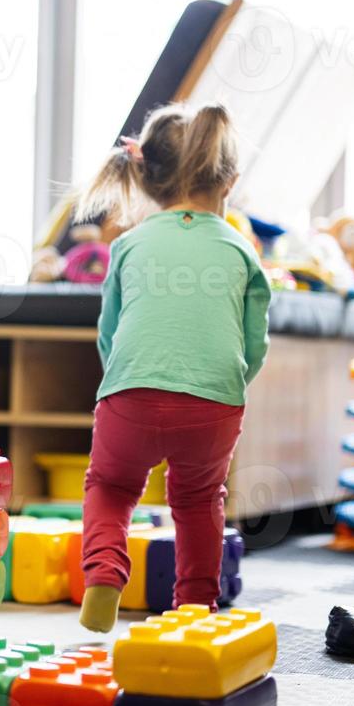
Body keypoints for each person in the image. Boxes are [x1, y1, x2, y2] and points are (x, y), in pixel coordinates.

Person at [74, 102, 270, 633]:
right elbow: (254, 344)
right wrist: (225, 388)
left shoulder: (128, 244)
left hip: (130, 392)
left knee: (111, 487)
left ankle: (104, 576)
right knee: (199, 498)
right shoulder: (243, 252)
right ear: (228, 182)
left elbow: (109, 334)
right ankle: (194, 607)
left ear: (143, 177)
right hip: (214, 401)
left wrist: (120, 385)